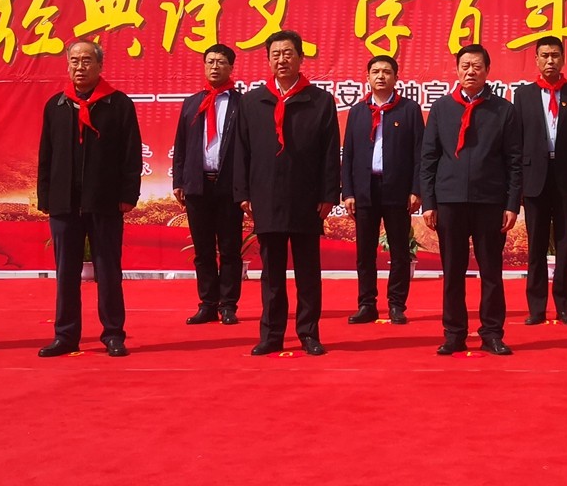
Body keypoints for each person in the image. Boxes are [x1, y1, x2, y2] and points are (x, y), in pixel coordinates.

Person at [236, 30, 340, 356]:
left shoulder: (320, 101)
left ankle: (309, 332)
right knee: (272, 273)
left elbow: (329, 152)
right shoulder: (253, 101)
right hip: (266, 197)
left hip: (307, 198)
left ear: (300, 57)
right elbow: (241, 150)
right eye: (275, 54)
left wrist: (328, 194)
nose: (282, 59)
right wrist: (243, 192)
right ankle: (272, 334)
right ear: (268, 59)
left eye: (288, 53)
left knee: (309, 271)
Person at [37, 40, 142, 358]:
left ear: (100, 66)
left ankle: (113, 333)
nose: (79, 67)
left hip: (105, 201)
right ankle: (66, 335)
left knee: (108, 270)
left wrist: (127, 195)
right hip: (64, 203)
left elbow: (131, 153)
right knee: (65, 272)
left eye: (86, 61)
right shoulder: (56, 105)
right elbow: (46, 154)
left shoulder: (118, 104)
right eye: (74, 61)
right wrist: (46, 197)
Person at [419, 44, 523, 356]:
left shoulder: (503, 110)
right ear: (456, 69)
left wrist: (511, 204)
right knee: (452, 271)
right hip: (449, 200)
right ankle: (454, 332)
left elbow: (514, 161)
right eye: (465, 65)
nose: (470, 71)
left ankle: (492, 332)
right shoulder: (441, 109)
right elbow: (428, 158)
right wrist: (429, 202)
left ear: (487, 71)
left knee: (491, 271)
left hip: (490, 201)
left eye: (477, 66)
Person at [515, 36, 567, 325]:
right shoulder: (523, 95)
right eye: (545, 55)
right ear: (536, 60)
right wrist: (519, 183)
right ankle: (536, 308)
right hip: (534, 179)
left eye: (555, 55)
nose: (550, 61)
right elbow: (517, 141)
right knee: (535, 246)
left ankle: (564, 307)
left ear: (563, 59)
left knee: (565, 244)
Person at [340, 54, 423, 326]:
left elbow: (418, 153)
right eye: (375, 71)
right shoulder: (357, 111)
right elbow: (348, 155)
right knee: (365, 252)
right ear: (367, 77)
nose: (380, 76)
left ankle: (397, 305)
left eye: (387, 71)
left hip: (397, 190)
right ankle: (367, 304)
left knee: (399, 250)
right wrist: (348, 192)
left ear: (396, 78)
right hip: (365, 190)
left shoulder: (409, 110)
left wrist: (416, 189)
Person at [171, 43, 245, 326]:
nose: (215, 66)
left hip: (228, 187)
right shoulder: (192, 102)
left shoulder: (242, 104)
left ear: (230, 67)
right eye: (210, 61)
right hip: (197, 185)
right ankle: (207, 304)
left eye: (221, 62)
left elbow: (247, 148)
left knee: (229, 249)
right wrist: (179, 179)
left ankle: (228, 305)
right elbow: (181, 144)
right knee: (202, 250)